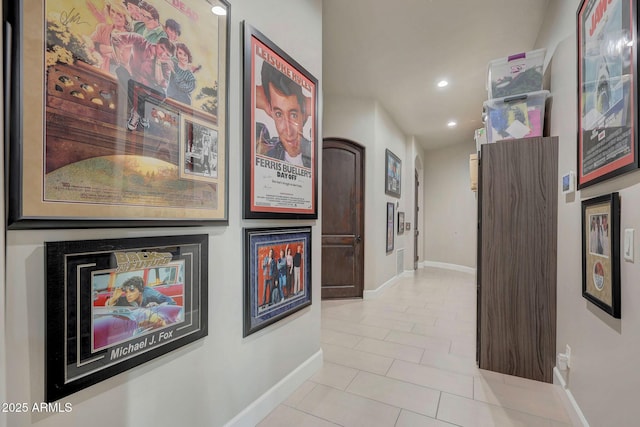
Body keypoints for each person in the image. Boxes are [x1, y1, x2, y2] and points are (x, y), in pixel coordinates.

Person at [259, 61, 312, 167]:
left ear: (303, 114)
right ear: (271, 111)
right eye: (279, 114)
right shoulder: (267, 153)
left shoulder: (313, 153)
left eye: (293, 115)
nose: (288, 131)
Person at [89, 0, 132, 74]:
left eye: (119, 14)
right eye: (113, 11)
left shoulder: (130, 37)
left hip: (117, 74)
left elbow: (123, 59)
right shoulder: (102, 28)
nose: (115, 16)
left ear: (126, 17)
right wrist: (112, 49)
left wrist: (98, 47)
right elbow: (89, 45)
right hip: (96, 68)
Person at [106, 276, 176, 307]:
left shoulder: (150, 294)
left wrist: (159, 306)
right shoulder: (128, 299)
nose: (128, 295)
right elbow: (110, 308)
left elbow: (172, 302)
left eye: (132, 291)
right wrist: (114, 298)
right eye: (126, 292)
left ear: (140, 291)